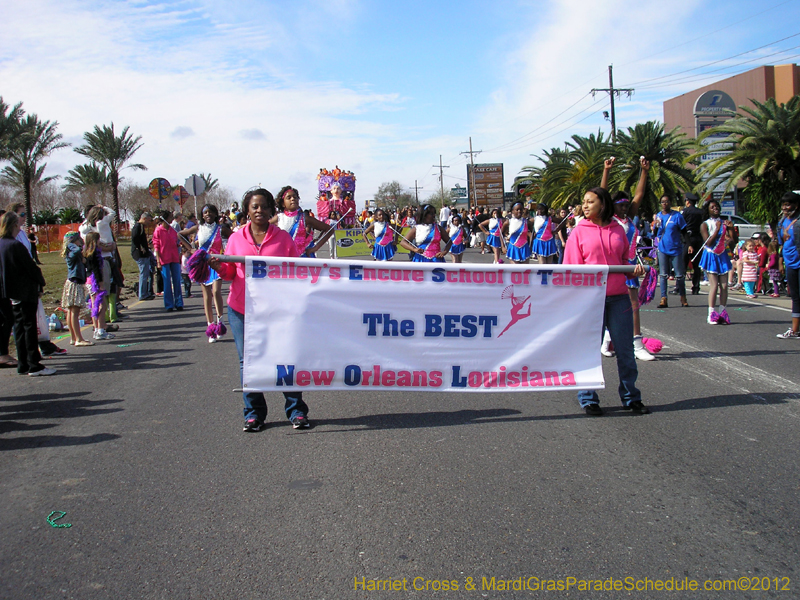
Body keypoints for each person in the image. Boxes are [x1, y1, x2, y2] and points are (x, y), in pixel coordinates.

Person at [208, 188, 311, 431]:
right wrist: (219, 267)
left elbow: (295, 272)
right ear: (247, 210)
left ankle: (296, 411)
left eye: (264, 206)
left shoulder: (283, 238)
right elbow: (231, 274)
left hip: (277, 310)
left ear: (271, 210)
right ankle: (254, 414)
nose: (259, 211)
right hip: (241, 309)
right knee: (248, 362)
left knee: (285, 359)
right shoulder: (235, 239)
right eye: (254, 207)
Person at [563, 187, 648, 416]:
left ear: (603, 204)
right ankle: (588, 398)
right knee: (589, 351)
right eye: (584, 202)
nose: (586, 205)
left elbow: (622, 263)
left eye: (591, 201)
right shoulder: (578, 232)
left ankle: (631, 397)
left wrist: (634, 270)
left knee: (626, 351)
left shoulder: (618, 229)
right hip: (590, 300)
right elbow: (570, 270)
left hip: (619, 298)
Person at [600, 156, 654, 361]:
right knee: (608, 305)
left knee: (633, 304)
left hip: (629, 266)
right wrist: (607, 170)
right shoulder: (609, 219)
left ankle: (637, 344)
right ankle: (606, 340)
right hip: (613, 267)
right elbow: (602, 193)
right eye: (620, 205)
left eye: (625, 205)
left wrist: (645, 172)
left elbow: (639, 195)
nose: (624, 208)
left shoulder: (629, 218)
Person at [0, 212, 55, 376]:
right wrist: (40, 283)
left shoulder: (2, 244)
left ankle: (23, 363)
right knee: (29, 328)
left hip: (11, 293)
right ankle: (34, 365)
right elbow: (31, 268)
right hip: (24, 291)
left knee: (20, 329)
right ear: (14, 225)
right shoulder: (15, 245)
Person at [180, 204, 231, 341]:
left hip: (217, 264)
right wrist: (190, 250)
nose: (208, 214)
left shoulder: (221, 229)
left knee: (216, 292)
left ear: (215, 214)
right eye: (205, 212)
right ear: (202, 215)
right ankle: (211, 326)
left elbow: (234, 238)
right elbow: (180, 234)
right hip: (203, 265)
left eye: (210, 212)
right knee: (207, 296)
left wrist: (228, 253)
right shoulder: (198, 228)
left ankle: (220, 320)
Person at [698, 199, 732, 325]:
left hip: (722, 255)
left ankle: (723, 312)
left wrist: (731, 229)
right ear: (708, 210)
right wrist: (717, 230)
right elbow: (708, 242)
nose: (715, 208)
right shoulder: (705, 224)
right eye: (712, 207)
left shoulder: (724, 223)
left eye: (717, 206)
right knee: (714, 285)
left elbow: (732, 241)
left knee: (724, 286)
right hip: (711, 255)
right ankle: (711, 313)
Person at [273, 186, 331, 258]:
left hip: (303, 260)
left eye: (295, 197)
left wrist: (315, 247)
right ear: (283, 203)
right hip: (285, 258)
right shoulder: (278, 218)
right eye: (289, 198)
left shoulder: (305, 218)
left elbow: (329, 229)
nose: (293, 199)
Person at [652, 194, 688, 307]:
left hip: (676, 248)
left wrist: (689, 244)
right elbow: (655, 233)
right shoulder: (658, 216)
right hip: (663, 248)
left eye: (667, 201)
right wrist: (656, 226)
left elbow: (684, 231)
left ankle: (683, 296)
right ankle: (663, 298)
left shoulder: (677, 216)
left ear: (670, 203)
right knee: (663, 275)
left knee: (679, 275)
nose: (665, 204)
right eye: (663, 202)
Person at [60, 231, 93, 346]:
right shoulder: (71, 251)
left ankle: (74, 337)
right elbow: (77, 251)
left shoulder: (74, 254)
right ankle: (78, 338)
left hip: (75, 282)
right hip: (74, 283)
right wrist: (72, 244)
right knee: (74, 311)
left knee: (71, 311)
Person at [776, 191, 800, 338]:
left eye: (788, 204)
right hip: (790, 263)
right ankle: (795, 330)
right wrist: (780, 262)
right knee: (795, 297)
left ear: (796, 206)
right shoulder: (781, 222)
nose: (785, 207)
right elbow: (781, 244)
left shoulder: (798, 222)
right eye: (783, 204)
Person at [152, 211, 184, 312]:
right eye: (170, 217)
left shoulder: (173, 230)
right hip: (164, 259)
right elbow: (156, 246)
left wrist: (180, 248)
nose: (171, 218)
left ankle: (179, 303)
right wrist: (158, 261)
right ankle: (169, 304)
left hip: (174, 258)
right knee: (167, 282)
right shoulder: (158, 230)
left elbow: (177, 241)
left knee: (177, 281)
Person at [682, 193, 705, 295]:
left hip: (687, 239)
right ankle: (696, 287)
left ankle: (680, 287)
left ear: (688, 201)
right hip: (698, 239)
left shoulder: (685, 211)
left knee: (683, 264)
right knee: (696, 265)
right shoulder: (701, 212)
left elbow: (681, 226)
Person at [131, 212, 155, 300]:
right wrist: (140, 247)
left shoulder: (141, 227)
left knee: (146, 274)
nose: (149, 223)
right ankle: (142, 294)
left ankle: (145, 292)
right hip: (140, 254)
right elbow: (134, 238)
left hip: (144, 254)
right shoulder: (138, 227)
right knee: (143, 274)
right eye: (148, 220)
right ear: (144, 219)